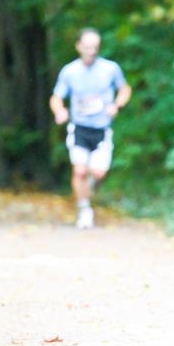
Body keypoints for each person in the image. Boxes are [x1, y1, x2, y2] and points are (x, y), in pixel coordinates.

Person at [50, 28, 132, 229]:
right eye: (87, 47)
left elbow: (125, 89)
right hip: (79, 128)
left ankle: (89, 187)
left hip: (102, 129)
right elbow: (56, 97)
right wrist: (60, 111)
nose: (91, 51)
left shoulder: (110, 68)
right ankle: (84, 209)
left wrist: (117, 105)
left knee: (98, 173)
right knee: (79, 171)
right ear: (78, 46)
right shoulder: (69, 71)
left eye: (95, 47)